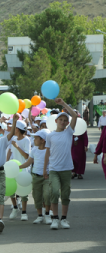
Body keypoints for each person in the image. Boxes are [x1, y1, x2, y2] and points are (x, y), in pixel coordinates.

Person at [44, 98, 78, 230]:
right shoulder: (50, 136)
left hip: (66, 168)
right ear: (56, 121)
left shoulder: (68, 132)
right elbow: (47, 153)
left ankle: (64, 219)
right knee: (54, 192)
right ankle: (54, 219)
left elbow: (74, 115)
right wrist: (44, 169)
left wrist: (63, 104)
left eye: (65, 120)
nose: (63, 122)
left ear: (67, 123)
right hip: (53, 169)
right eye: (61, 120)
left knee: (65, 194)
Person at [19, 129, 52, 225]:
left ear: (42, 140)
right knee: (37, 197)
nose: (34, 140)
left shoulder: (49, 150)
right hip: (36, 177)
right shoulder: (34, 150)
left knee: (47, 195)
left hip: (47, 177)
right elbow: (29, 162)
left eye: (36, 138)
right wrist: (19, 167)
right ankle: (39, 216)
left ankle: (47, 214)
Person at [7, 120, 31, 221]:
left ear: (17, 129)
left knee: (23, 191)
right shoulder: (13, 138)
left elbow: (26, 156)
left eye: (14, 127)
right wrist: (6, 162)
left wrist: (17, 146)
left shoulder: (27, 140)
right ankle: (15, 208)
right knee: (11, 189)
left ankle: (24, 212)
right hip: (13, 167)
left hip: (24, 168)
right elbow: (9, 151)